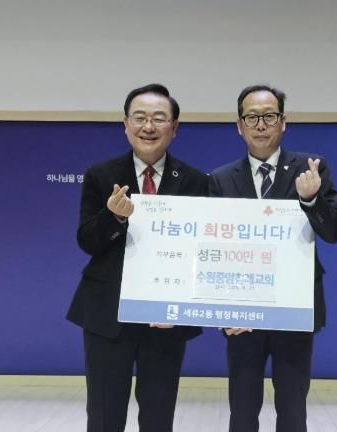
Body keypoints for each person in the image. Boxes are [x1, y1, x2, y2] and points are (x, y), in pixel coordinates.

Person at [67, 83, 208, 432]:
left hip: (165, 317)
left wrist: (182, 305)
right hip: (107, 314)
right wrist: (113, 217)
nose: (148, 126)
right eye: (140, 117)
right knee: (104, 413)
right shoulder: (101, 174)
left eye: (159, 118)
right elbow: (87, 241)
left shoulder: (194, 181)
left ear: (174, 128)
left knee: (159, 414)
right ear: (126, 125)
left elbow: (200, 252)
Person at [209, 84, 337, 432]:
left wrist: (311, 199)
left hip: (294, 306)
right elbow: (212, 251)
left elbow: (334, 232)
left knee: (292, 407)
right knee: (242, 408)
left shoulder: (311, 169)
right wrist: (223, 310)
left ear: (283, 122)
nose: (260, 125)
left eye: (269, 116)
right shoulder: (221, 179)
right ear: (239, 125)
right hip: (242, 310)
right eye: (251, 117)